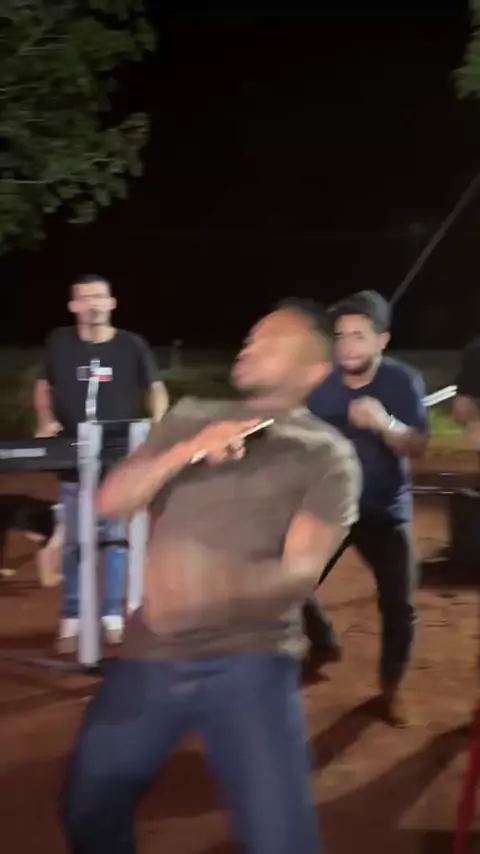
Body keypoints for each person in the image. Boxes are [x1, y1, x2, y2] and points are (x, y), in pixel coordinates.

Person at [60, 303, 361, 854]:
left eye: (271, 342)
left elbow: (301, 572)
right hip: (152, 654)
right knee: (88, 805)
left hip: (250, 661)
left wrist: (214, 585)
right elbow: (112, 501)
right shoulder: (193, 414)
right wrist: (186, 450)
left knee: (280, 841)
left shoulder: (327, 454)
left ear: (314, 370)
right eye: (251, 337)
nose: (249, 347)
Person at [303, 290, 428, 726]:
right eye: (340, 336)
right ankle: (323, 643)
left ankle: (391, 687)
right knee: (290, 582)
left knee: (399, 603)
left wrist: (385, 423)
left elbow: (418, 446)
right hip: (329, 505)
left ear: (382, 340)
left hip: (383, 507)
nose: (348, 346)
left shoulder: (402, 381)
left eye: (359, 335)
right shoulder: (319, 385)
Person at [33, 274, 168, 653]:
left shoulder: (131, 345)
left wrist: (157, 423)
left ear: (111, 303)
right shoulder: (59, 342)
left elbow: (156, 388)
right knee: (75, 541)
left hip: (119, 457)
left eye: (99, 297)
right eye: (84, 298)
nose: (92, 304)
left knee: (116, 540)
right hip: (72, 455)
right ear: (73, 306)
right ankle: (72, 617)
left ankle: (112, 615)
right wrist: (45, 420)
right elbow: (43, 385)